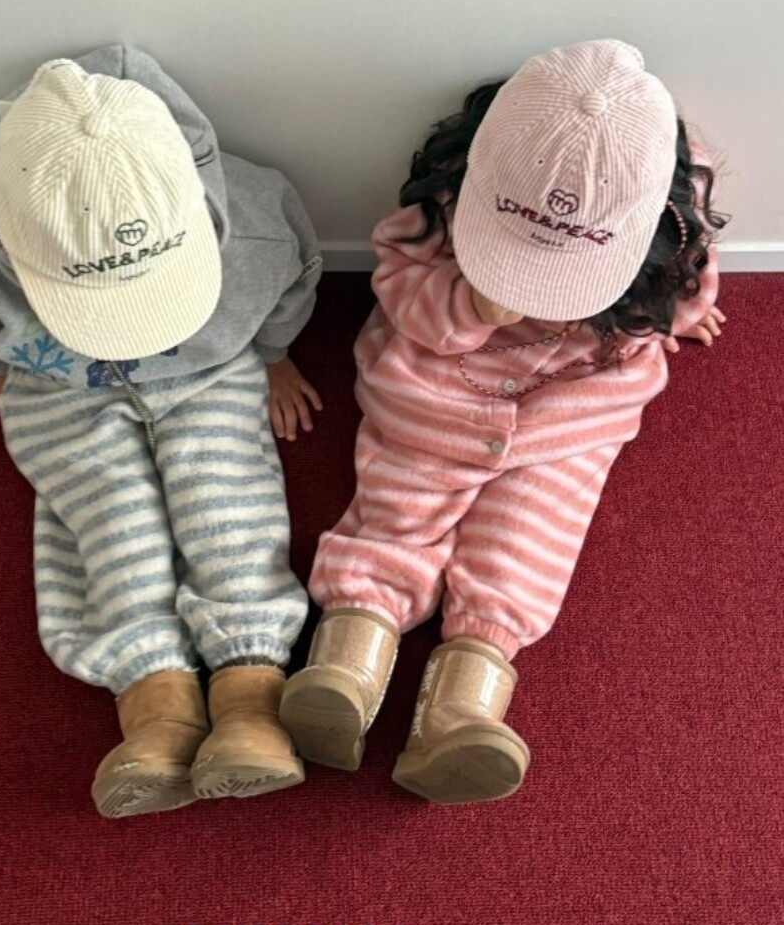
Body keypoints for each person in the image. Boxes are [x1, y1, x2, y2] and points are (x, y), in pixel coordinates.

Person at [280, 39, 727, 805]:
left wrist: (673, 313)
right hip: (436, 392)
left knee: (526, 541)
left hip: (569, 415)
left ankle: (461, 709)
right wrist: (470, 303)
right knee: (395, 508)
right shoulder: (448, 200)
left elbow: (684, 288)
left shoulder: (666, 223)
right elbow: (397, 284)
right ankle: (348, 654)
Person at [0, 46, 324, 817]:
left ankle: (249, 689)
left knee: (222, 491)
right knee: (108, 510)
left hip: (208, 366)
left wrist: (274, 356)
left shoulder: (256, 227)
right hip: (56, 379)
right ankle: (154, 695)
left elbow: (289, 284)